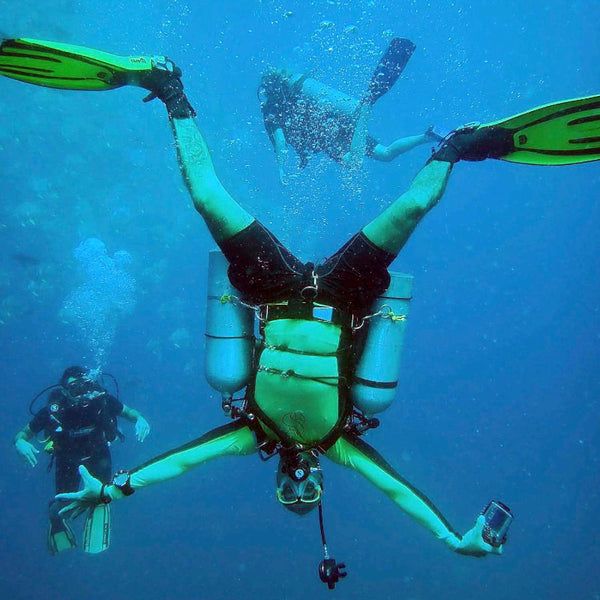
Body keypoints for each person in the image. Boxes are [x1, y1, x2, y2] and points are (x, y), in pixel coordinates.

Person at [2, 38, 597, 585]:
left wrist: (113, 491)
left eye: (288, 496)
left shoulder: (250, 432)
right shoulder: (340, 441)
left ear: (279, 486)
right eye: (306, 497)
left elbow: (180, 463)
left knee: (207, 197)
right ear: (316, 488)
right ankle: (463, 145)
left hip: (274, 289)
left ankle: (167, 87)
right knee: (414, 206)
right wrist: (448, 537)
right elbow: (397, 492)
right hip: (343, 298)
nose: (298, 488)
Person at [258, 38, 442, 184]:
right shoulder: (296, 90)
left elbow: (281, 142)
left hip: (328, 134)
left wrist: (281, 168)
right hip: (341, 119)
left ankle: (366, 109)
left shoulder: (271, 111)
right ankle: (427, 136)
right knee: (386, 154)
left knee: (354, 163)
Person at [13, 365, 151, 555]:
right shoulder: (54, 410)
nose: (80, 393)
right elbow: (23, 433)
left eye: (83, 386)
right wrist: (20, 443)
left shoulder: (102, 400)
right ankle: (56, 521)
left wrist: (140, 419)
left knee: (102, 495)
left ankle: (97, 503)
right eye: (74, 388)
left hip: (98, 457)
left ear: (90, 385)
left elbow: (130, 413)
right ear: (64, 390)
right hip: (67, 462)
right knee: (62, 506)